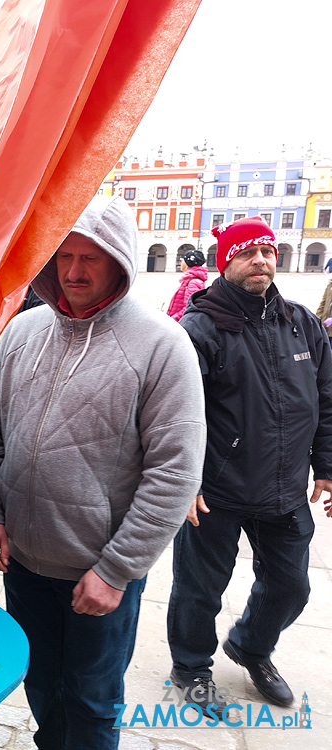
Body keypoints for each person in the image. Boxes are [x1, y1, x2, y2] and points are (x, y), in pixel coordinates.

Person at [0, 194, 206, 749]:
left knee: (93, 700)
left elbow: (174, 473)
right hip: (24, 562)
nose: (73, 271)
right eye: (64, 256)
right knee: (41, 688)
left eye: (91, 258)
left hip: (99, 575)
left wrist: (116, 570)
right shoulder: (24, 332)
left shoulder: (162, 347)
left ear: (120, 258)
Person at [167, 216, 332, 709]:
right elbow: (174, 414)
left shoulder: (300, 322)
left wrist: (326, 466)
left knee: (291, 586)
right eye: (247, 253)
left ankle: (251, 646)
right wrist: (185, 480)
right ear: (226, 261)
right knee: (200, 590)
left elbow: (326, 397)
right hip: (216, 489)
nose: (260, 260)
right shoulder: (199, 327)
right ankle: (191, 667)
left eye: (267, 252)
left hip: (284, 486)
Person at [165, 248, 207, 321]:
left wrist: (171, 320)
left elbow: (188, 308)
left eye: (182, 261)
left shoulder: (193, 282)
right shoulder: (189, 279)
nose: (181, 262)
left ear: (187, 264)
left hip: (179, 324)